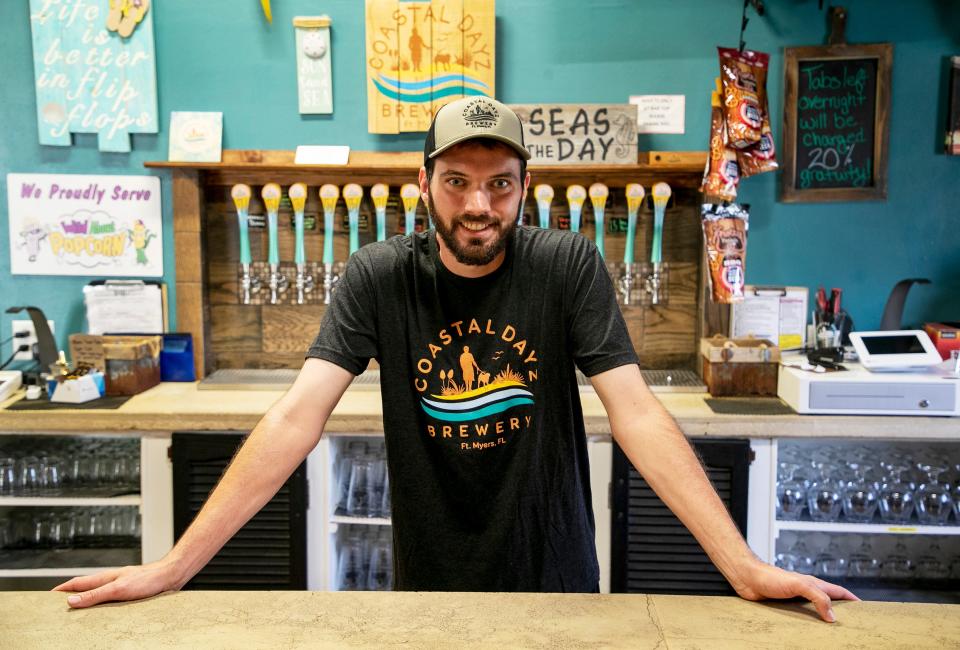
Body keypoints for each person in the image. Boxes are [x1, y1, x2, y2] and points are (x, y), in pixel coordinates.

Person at [55, 96, 857, 621]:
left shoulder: (566, 265)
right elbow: (298, 416)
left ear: (525, 185)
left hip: (559, 581)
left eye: (500, 185)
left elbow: (636, 412)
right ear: (424, 182)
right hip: (431, 586)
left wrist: (743, 566)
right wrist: (174, 565)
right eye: (458, 182)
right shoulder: (377, 276)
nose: (479, 205)